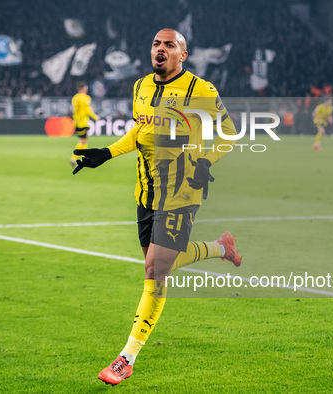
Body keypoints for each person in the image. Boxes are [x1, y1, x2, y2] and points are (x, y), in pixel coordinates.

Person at [72, 28, 242, 386]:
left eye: (169, 45)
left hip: (181, 194)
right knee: (159, 260)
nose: (160, 49)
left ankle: (126, 358)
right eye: (155, 44)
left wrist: (206, 163)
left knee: (154, 270)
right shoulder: (140, 87)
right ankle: (219, 247)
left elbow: (229, 132)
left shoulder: (201, 90)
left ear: (184, 54)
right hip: (146, 193)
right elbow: (140, 130)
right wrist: (106, 152)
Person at [69, 81, 99, 168]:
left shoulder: (75, 98)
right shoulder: (86, 98)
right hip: (83, 122)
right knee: (84, 141)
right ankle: (77, 158)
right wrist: (95, 116)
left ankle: (81, 158)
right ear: (84, 88)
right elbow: (87, 110)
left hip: (76, 121)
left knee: (83, 140)